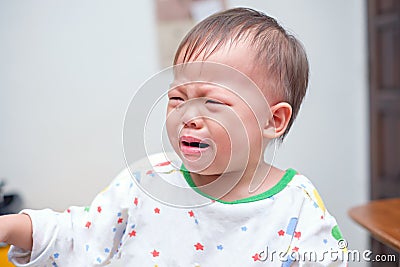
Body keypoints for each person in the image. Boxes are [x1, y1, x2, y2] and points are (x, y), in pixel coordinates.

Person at [0, 7, 347, 266]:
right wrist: (12, 226)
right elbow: (80, 233)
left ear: (273, 120)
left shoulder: (295, 208)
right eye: (177, 99)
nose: (187, 116)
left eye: (212, 102)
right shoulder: (147, 182)